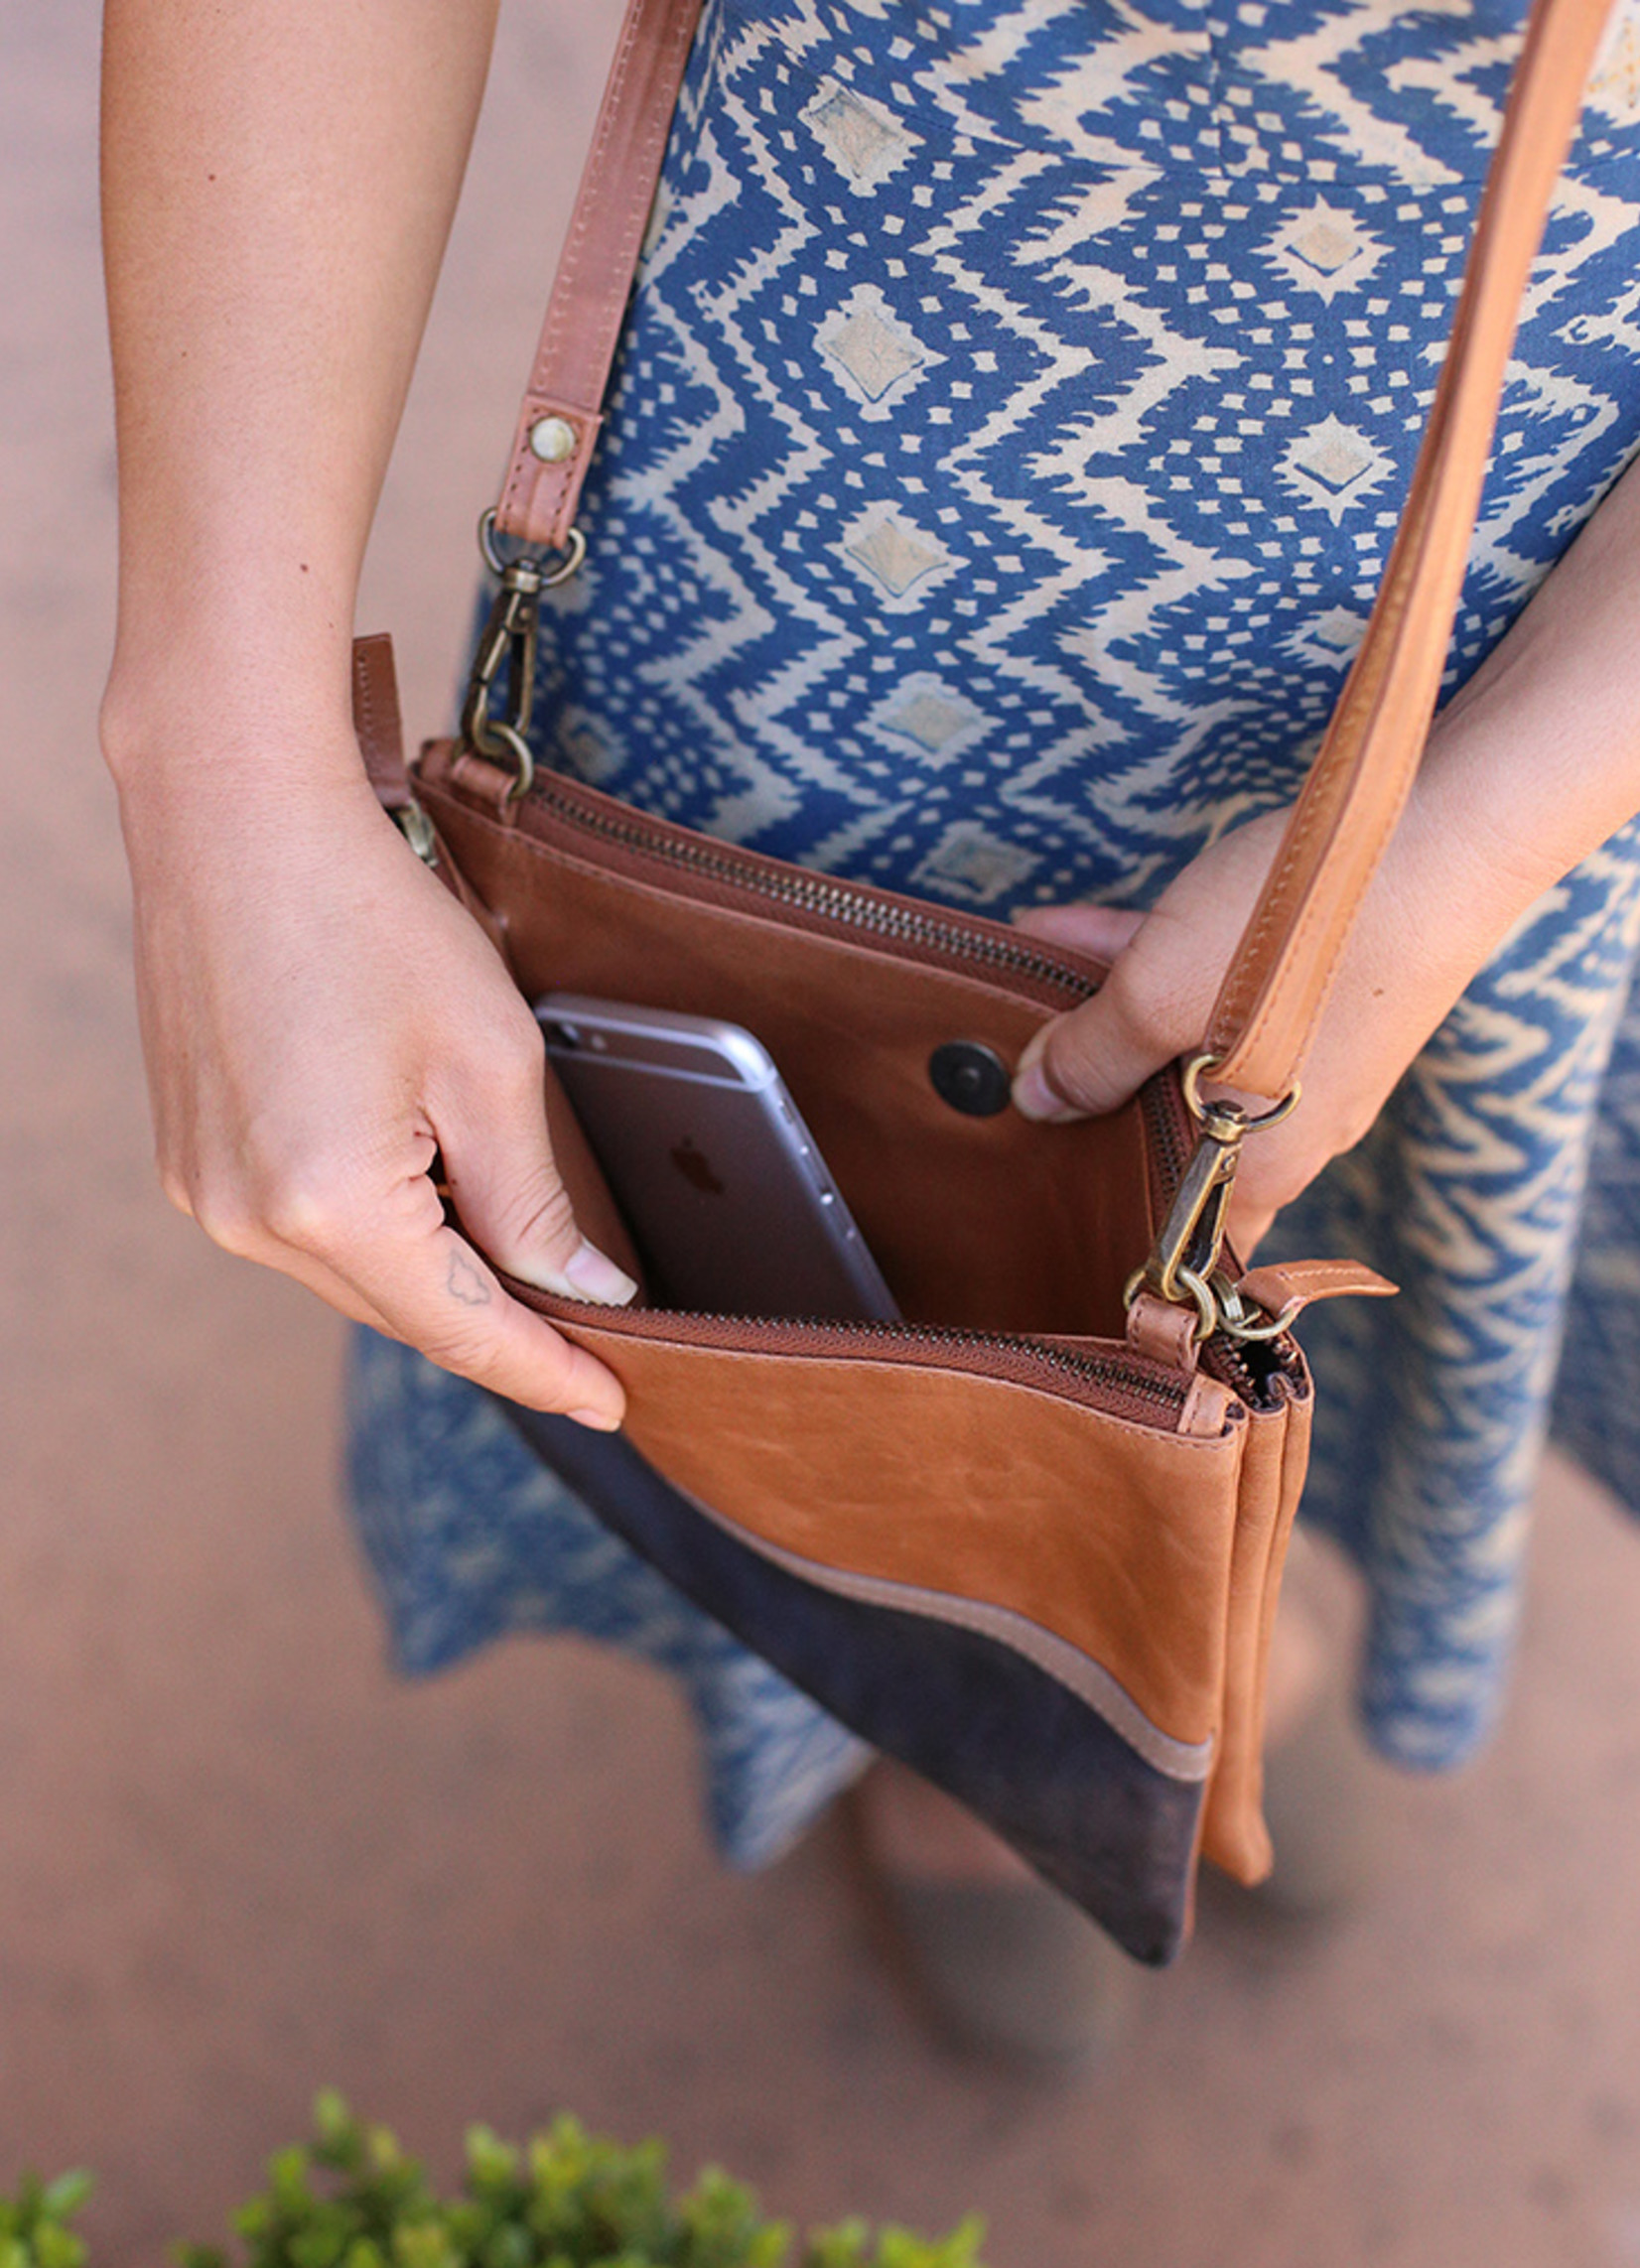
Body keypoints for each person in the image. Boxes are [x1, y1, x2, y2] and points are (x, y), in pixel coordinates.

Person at [101, 0, 1640, 2066]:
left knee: (1311, 1268)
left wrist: (1475, 831)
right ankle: (958, 1698)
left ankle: (1196, 1646)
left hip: (1537, 638)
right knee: (833, 1307)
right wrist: (223, 760)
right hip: (825, 561)